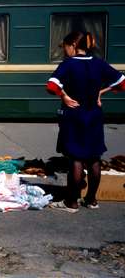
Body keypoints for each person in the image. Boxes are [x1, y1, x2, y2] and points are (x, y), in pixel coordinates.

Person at [46, 31, 125, 212]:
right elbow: (122, 83)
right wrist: (100, 92)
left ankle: (71, 202)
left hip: (74, 116)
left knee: (76, 158)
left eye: (65, 47)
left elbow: (51, 86)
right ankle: (91, 200)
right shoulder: (99, 63)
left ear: (73, 45)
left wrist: (65, 96)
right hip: (95, 116)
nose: (65, 51)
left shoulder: (69, 64)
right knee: (94, 158)